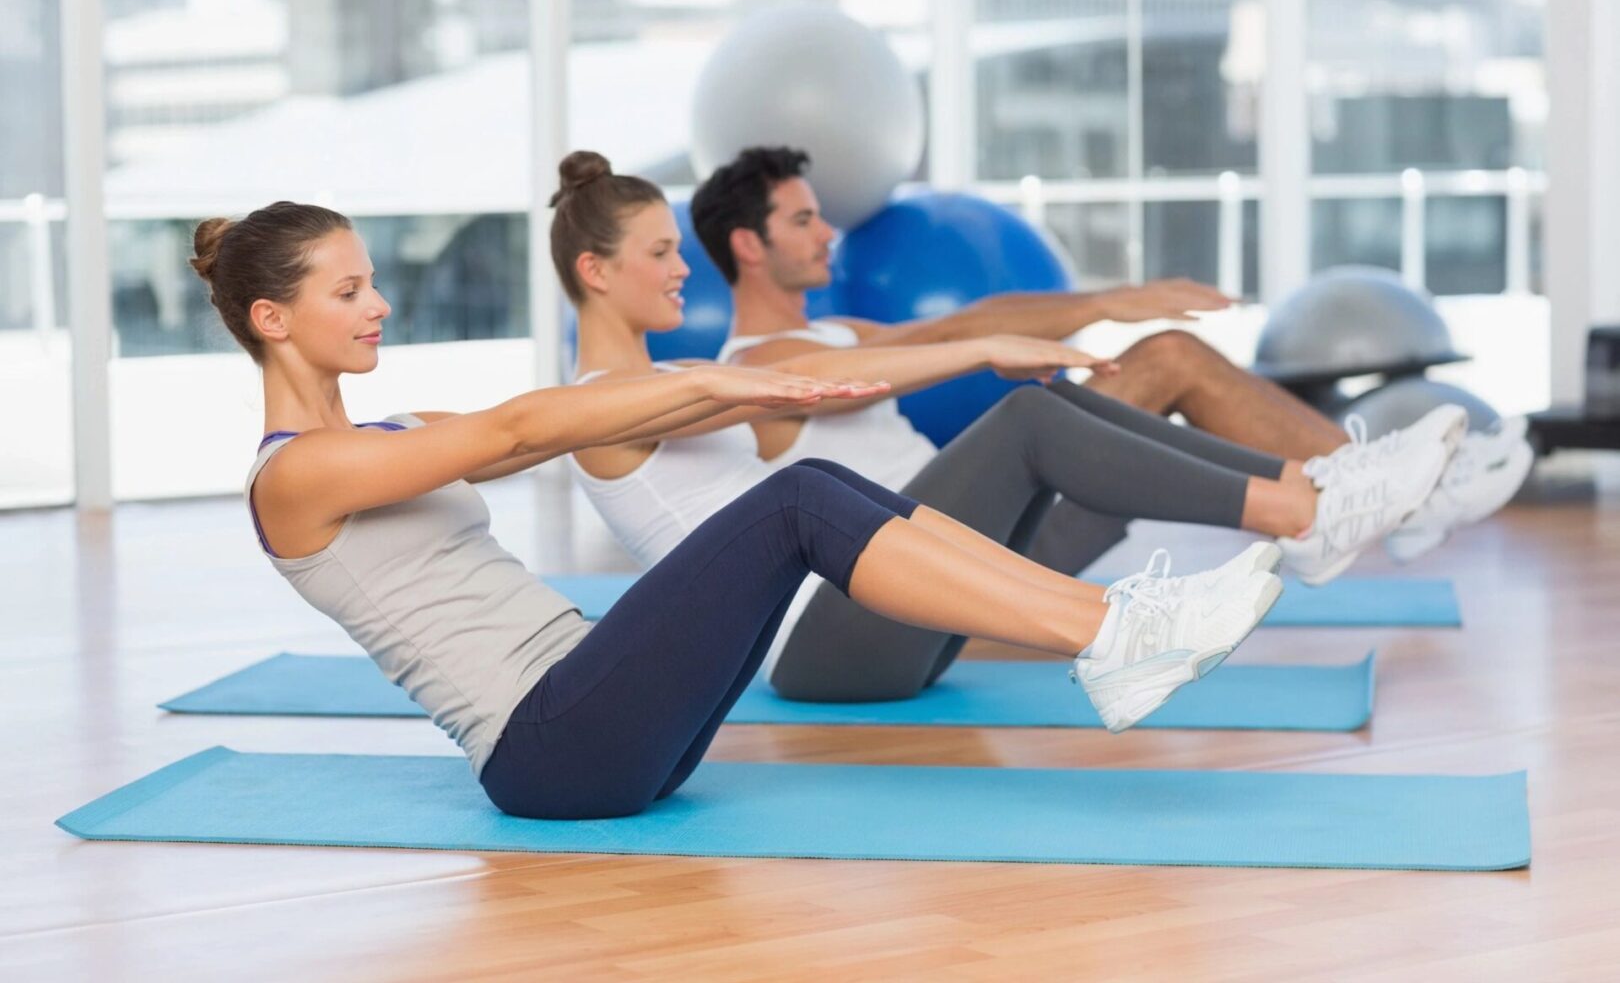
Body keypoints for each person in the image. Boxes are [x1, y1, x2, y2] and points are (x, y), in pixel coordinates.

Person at [193, 198, 1289, 822]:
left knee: (830, 494)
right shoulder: (294, 476)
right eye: (347, 291)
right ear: (271, 319)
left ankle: (1115, 634)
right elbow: (517, 432)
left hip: (603, 711)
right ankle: (1110, 637)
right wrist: (720, 383)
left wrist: (706, 384)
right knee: (799, 501)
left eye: (369, 279)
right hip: (552, 750)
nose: (378, 302)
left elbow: (567, 412)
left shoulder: (379, 442)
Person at [557, 150, 1459, 702]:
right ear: (598, 272)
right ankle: (1304, 512)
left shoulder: (677, 374)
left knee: (1051, 405)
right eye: (660, 252)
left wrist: (1022, 328)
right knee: (1028, 414)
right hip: (815, 647)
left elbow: (829, 368)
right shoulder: (601, 404)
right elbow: (798, 381)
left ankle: (1312, 501)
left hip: (891, 614)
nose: (683, 269)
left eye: (679, 247)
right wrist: (985, 345)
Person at [691, 146, 1535, 566]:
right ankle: (1369, 500)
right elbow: (921, 346)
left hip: (994, 529)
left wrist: (1102, 302)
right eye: (802, 220)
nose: (826, 231)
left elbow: (967, 318)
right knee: (1164, 359)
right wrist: (1081, 314)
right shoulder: (753, 369)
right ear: (748, 245)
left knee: (1167, 352)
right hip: (954, 561)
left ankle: (1373, 495)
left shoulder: (838, 331)